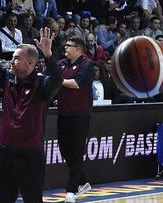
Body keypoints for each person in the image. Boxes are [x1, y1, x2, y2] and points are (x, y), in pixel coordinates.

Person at [0, 11, 62, 202]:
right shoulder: (7, 78)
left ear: (30, 63)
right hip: (5, 150)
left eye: (16, 58)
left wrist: (48, 56)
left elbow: (58, 79)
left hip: (30, 154)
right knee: (2, 198)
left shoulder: (41, 85)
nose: (11, 61)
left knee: (32, 198)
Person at [57, 37, 94, 202]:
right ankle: (83, 181)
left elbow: (76, 83)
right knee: (65, 150)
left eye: (69, 46)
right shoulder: (61, 63)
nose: (65, 47)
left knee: (77, 151)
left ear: (78, 49)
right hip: (63, 113)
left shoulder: (86, 64)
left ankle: (71, 190)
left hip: (80, 114)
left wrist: (59, 80)